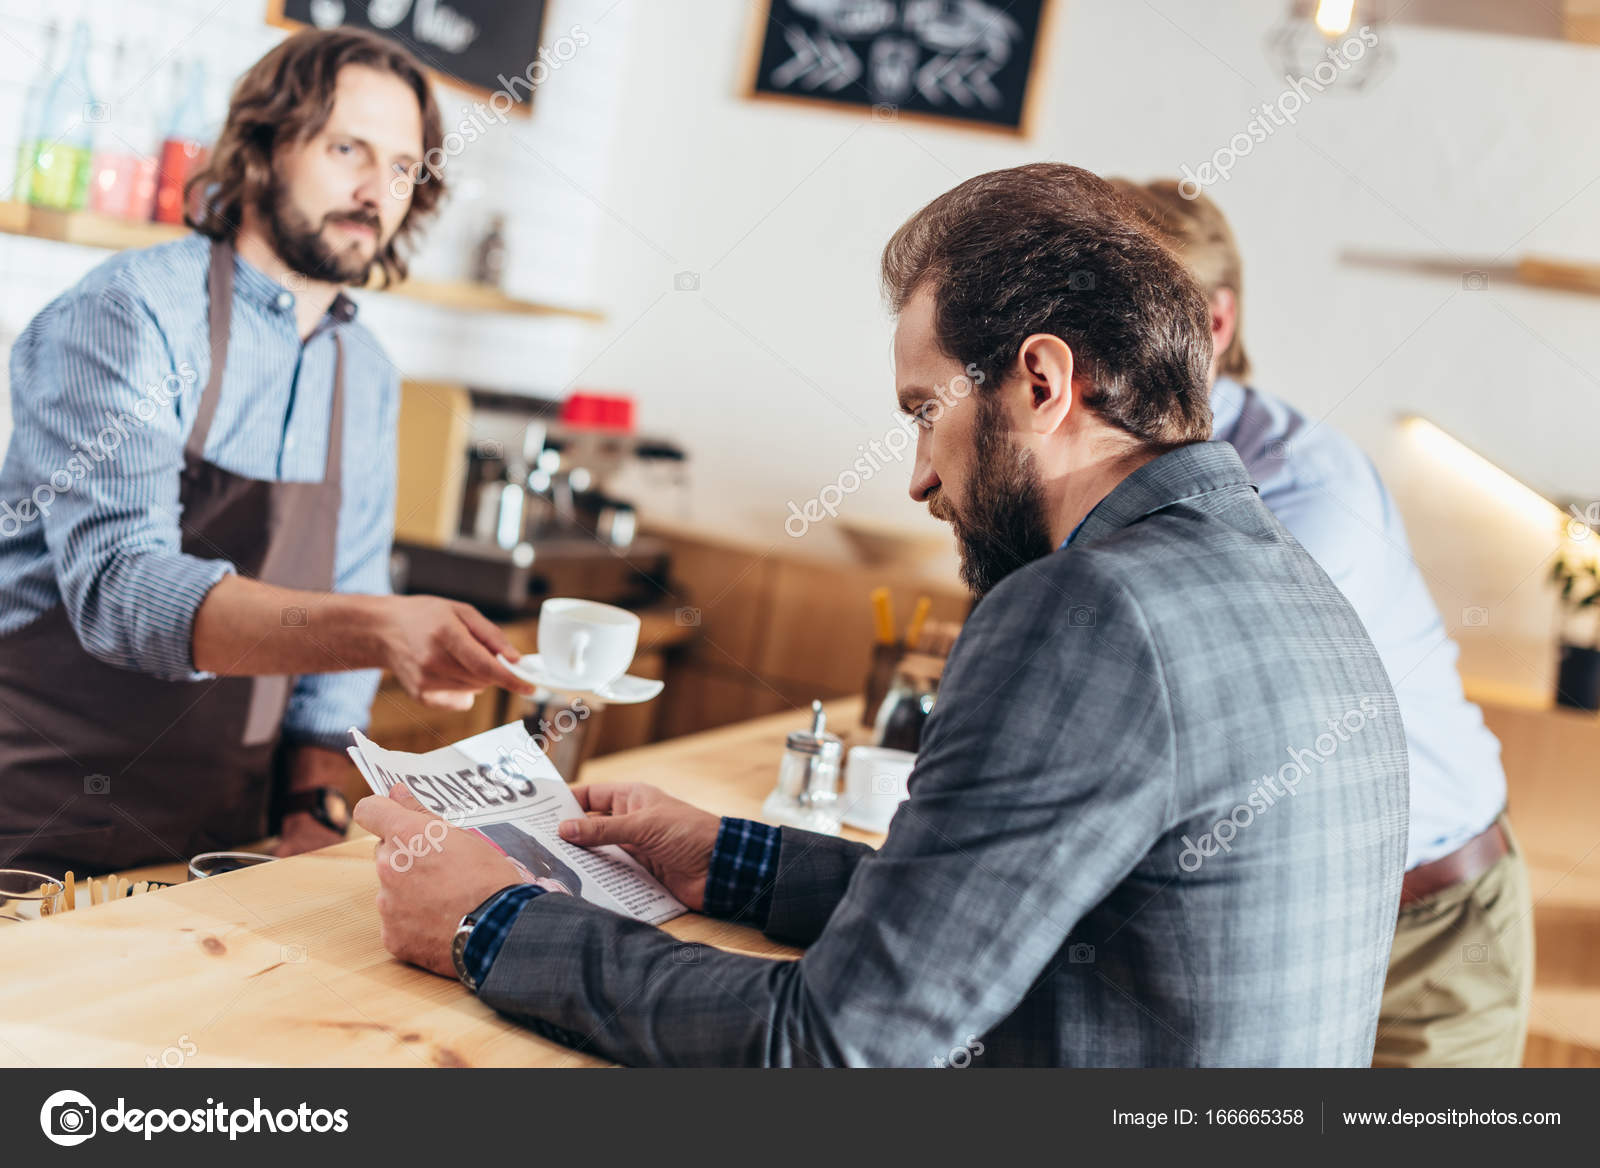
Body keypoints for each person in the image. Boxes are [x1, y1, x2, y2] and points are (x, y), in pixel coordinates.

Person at [355, 163, 1409, 1067]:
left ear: (1041, 379)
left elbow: (830, 1048)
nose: (917, 477)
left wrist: (488, 921)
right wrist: (731, 859)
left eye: (923, 411)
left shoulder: (1085, 608)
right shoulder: (1290, 576)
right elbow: (1019, 911)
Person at [0, 28, 531, 877]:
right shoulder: (128, 314)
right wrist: (379, 630)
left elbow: (350, 591)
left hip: (223, 834)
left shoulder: (368, 375)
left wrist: (312, 806)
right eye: (347, 147)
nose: (374, 189)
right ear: (265, 146)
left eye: (402, 166)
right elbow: (119, 588)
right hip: (34, 817)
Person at [1109, 179, 1533, 1069]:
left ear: (1215, 326)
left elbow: (1210, 718)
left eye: (1133, 309)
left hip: (1427, 932)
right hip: (1285, 910)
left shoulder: (1302, 491)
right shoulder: (1110, 470)